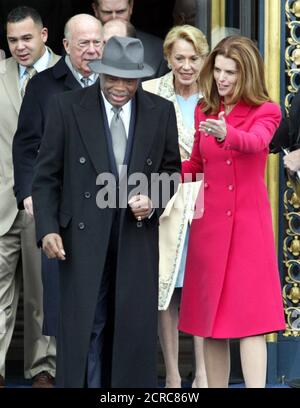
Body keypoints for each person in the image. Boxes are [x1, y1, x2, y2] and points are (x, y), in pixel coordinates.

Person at [32, 36, 181, 388]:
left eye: (128, 79)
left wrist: (153, 199)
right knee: (88, 326)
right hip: (82, 237)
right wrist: (48, 228)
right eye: (112, 77)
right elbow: (46, 175)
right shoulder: (66, 107)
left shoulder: (160, 111)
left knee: (129, 328)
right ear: (99, 73)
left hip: (135, 233)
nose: (119, 87)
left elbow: (171, 171)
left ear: (139, 79)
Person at [178, 35, 285, 388]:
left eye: (231, 73)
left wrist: (228, 133)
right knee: (211, 325)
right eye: (218, 70)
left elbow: (258, 143)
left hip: (246, 231)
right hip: (208, 230)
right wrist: (154, 177)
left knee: (250, 325)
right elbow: (195, 164)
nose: (222, 78)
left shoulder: (266, 110)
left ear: (247, 75)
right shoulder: (204, 109)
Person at [12, 13, 103, 339]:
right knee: (64, 311)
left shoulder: (116, 84)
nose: (92, 50)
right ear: (65, 46)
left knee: (103, 309)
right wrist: (27, 195)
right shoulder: (43, 85)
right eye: (84, 44)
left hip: (107, 208)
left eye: (97, 43)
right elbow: (25, 147)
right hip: (62, 211)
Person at [143, 24, 208, 388]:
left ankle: (201, 372)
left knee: (199, 289)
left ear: (204, 59)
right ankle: (170, 373)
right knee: (164, 290)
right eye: (179, 58)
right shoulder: (150, 91)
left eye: (193, 58)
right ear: (167, 58)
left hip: (206, 203)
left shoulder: (217, 96)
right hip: (165, 203)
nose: (186, 66)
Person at [0, 6, 60, 387]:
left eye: (27, 37)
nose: (20, 46)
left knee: (43, 294)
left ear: (44, 35)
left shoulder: (65, 76)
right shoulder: (0, 73)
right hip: (2, 203)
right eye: (12, 40)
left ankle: (43, 369)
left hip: (45, 202)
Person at [91, 0, 169, 79]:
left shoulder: (157, 52)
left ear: (131, 7)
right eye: (107, 12)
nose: (114, 18)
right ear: (95, 10)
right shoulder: (84, 51)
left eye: (120, 11)